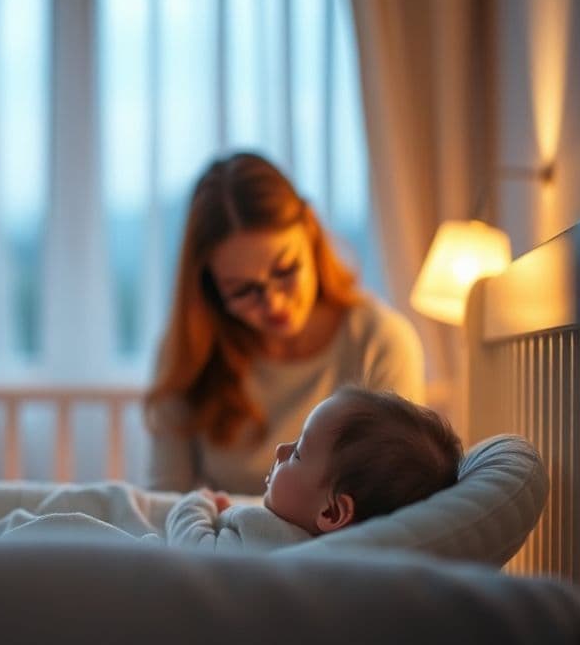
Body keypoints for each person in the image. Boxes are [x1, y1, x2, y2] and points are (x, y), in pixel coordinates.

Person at [145, 152, 425, 495]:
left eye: (285, 270)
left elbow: (397, 503)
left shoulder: (379, 340)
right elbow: (164, 499)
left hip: (340, 547)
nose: (274, 302)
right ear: (211, 290)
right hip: (224, 546)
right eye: (243, 290)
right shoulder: (189, 352)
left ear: (310, 231)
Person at [166, 386, 461, 551]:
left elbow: (193, 554)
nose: (281, 449)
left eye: (297, 453)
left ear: (331, 512)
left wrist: (195, 505)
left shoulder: (269, 535)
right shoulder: (299, 536)